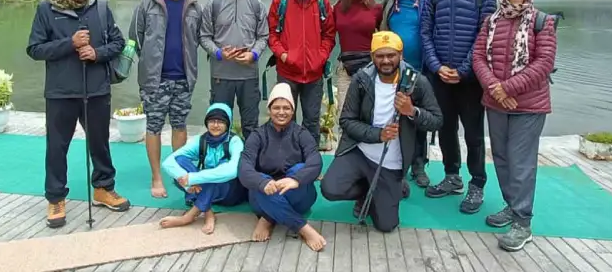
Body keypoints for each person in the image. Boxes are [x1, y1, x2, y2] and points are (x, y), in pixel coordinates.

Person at [27, 0, 131, 228]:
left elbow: (119, 43)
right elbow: (35, 49)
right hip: (60, 92)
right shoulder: (46, 10)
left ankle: (103, 188)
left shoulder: (101, 9)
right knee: (57, 146)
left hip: (96, 90)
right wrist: (69, 44)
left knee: (100, 142)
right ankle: (55, 198)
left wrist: (97, 53)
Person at [320, 31, 443, 233]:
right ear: (372, 56)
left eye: (391, 55)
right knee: (330, 188)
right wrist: (378, 134)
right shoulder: (362, 79)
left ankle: (394, 186)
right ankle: (368, 189)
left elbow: (437, 121)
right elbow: (346, 121)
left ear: (401, 55)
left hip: (391, 162)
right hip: (360, 152)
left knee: (386, 225)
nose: (386, 61)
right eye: (380, 55)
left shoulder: (416, 82)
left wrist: (412, 112)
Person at [472, 0, 557, 252]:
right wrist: (495, 88)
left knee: (521, 162)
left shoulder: (542, 22)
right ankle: (511, 206)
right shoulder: (491, 21)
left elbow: (543, 63)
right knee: (501, 158)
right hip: (496, 103)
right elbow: (478, 57)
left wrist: (506, 89)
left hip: (529, 105)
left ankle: (523, 223)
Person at [420, 0, 497, 214]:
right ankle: (452, 176)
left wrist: (464, 69)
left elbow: (485, 35)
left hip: (471, 79)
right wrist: (436, 66)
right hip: (439, 76)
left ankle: (477, 183)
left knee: (474, 134)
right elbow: (425, 33)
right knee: (445, 128)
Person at [129, 0, 202, 198]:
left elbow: (201, 38)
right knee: (154, 125)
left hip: (184, 78)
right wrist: (149, 62)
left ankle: (177, 172)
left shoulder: (194, 6)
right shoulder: (147, 4)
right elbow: (136, 37)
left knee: (180, 125)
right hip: (155, 79)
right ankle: (156, 176)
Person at [238, 82, 326, 252]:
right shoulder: (258, 135)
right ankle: (303, 228)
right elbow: (244, 167)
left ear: (293, 111)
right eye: (276, 107)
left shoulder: (302, 134)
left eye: (286, 108)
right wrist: (262, 183)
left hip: (298, 194)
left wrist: (295, 180)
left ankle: (267, 218)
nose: (281, 112)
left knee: (299, 167)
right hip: (264, 194)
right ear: (269, 110)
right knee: (260, 182)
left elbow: (315, 161)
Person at [267, 0, 337, 143]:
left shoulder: (322, 1)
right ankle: (285, 155)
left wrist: (320, 57)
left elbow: (330, 34)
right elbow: (272, 34)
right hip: (287, 71)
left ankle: (310, 158)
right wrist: (283, 55)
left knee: (312, 119)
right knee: (285, 116)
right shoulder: (280, 1)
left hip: (314, 72)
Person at [200, 0, 269, 141]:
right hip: (221, 76)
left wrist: (253, 54)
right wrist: (219, 53)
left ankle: (251, 162)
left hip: (249, 75)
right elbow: (204, 36)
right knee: (219, 122)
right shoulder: (213, 4)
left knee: (251, 124)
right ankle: (222, 159)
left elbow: (264, 36)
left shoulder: (256, 4)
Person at [378, 0, 431, 188]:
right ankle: (397, 162)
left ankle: (419, 164)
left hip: (423, 69)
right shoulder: (390, 3)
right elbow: (381, 32)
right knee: (394, 115)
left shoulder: (429, 1)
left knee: (417, 116)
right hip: (395, 70)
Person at [158, 103, 248, 234]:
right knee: (180, 161)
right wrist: (188, 182)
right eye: (212, 121)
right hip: (201, 187)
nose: (215, 125)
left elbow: (232, 170)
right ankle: (208, 212)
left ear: (227, 124)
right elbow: (168, 162)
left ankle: (188, 216)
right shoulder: (201, 140)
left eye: (220, 121)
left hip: (231, 192)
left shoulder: (235, 142)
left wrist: (194, 178)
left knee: (217, 174)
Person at [332, 0, 382, 110]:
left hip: (372, 68)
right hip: (346, 69)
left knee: (369, 112)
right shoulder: (337, 9)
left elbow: (384, 36)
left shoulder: (376, 9)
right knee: (345, 112)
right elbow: (328, 35)